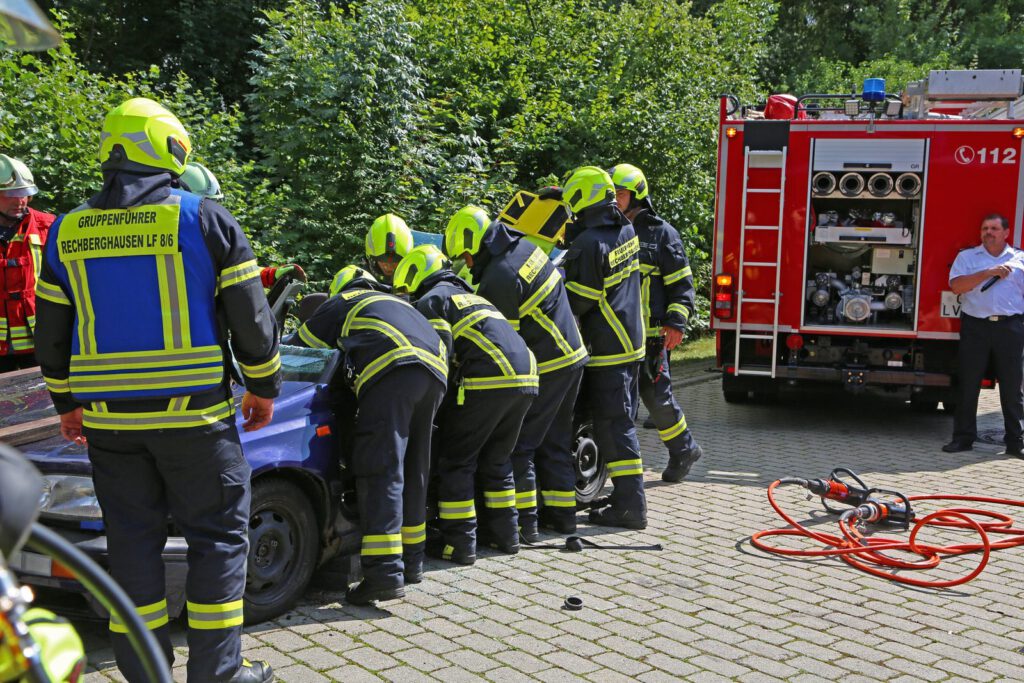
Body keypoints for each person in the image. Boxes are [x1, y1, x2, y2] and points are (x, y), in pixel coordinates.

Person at [34, 97, 281, 683]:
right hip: (196, 423)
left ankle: (146, 672)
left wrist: (66, 404)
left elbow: (52, 334)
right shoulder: (204, 218)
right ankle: (218, 675)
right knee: (218, 541)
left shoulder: (67, 231)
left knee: (132, 546)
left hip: (110, 427)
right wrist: (264, 385)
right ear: (169, 147)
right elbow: (251, 320)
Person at [293, 265, 447, 603]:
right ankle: (411, 561)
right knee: (413, 469)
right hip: (435, 370)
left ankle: (383, 574)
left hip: (394, 369)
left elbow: (299, 354)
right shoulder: (395, 302)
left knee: (381, 468)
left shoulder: (343, 301)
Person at [443, 205, 588, 539]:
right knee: (555, 441)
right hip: (572, 356)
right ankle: (563, 516)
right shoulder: (524, 247)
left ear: (477, 244)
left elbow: (503, 345)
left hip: (550, 364)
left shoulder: (500, 277)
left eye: (466, 255)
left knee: (519, 445)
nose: (466, 263)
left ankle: (526, 525)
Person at [393, 245, 537, 561]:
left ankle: (459, 544)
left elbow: (438, 356)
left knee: (457, 460)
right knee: (497, 460)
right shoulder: (471, 297)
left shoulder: (433, 300)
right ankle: (506, 537)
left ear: (416, 277)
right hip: (527, 376)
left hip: (489, 379)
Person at [558, 166, 647, 529]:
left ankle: (631, 506)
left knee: (615, 426)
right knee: (619, 423)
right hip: (630, 340)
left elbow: (579, 301)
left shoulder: (589, 244)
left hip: (610, 347)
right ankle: (627, 497)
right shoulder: (624, 227)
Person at [609, 163, 703, 482]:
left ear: (636, 195)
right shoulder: (607, 229)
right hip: (616, 335)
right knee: (620, 402)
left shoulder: (662, 233)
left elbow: (681, 283)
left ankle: (684, 450)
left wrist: (676, 322)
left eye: (619, 194)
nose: (614, 201)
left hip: (650, 337)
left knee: (657, 399)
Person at [944, 213, 1024, 456]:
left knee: (1012, 388)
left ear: (1006, 233)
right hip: (976, 327)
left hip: (1010, 328)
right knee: (968, 385)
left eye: (994, 228)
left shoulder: (1020, 258)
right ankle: (963, 439)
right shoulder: (968, 257)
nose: (988, 232)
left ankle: (1016, 442)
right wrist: (988, 273)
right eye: (984, 229)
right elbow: (957, 286)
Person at [0, 155, 55, 373]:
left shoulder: (48, 227)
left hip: (40, 343)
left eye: (25, 193)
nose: (20, 200)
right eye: (12, 194)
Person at [365, 213, 413, 284]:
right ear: (372, 260)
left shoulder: (415, 278)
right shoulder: (362, 277)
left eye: (395, 262)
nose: (389, 267)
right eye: (383, 261)